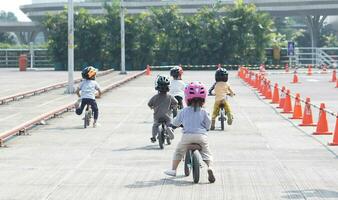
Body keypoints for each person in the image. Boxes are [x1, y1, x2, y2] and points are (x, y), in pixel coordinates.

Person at [164, 82, 215, 183]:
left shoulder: (183, 111)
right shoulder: (204, 111)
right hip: (201, 137)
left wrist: (173, 126)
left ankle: (173, 170)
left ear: (187, 98)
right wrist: (206, 128)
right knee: (206, 153)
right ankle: (210, 167)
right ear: (203, 99)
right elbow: (208, 125)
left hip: (187, 137)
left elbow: (175, 122)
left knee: (179, 151)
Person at [148, 75, 178, 143]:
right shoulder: (170, 97)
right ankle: (169, 129)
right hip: (167, 116)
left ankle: (153, 137)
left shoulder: (155, 97)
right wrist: (174, 107)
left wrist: (152, 107)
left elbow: (149, 104)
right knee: (170, 123)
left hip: (157, 116)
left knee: (155, 126)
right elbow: (176, 102)